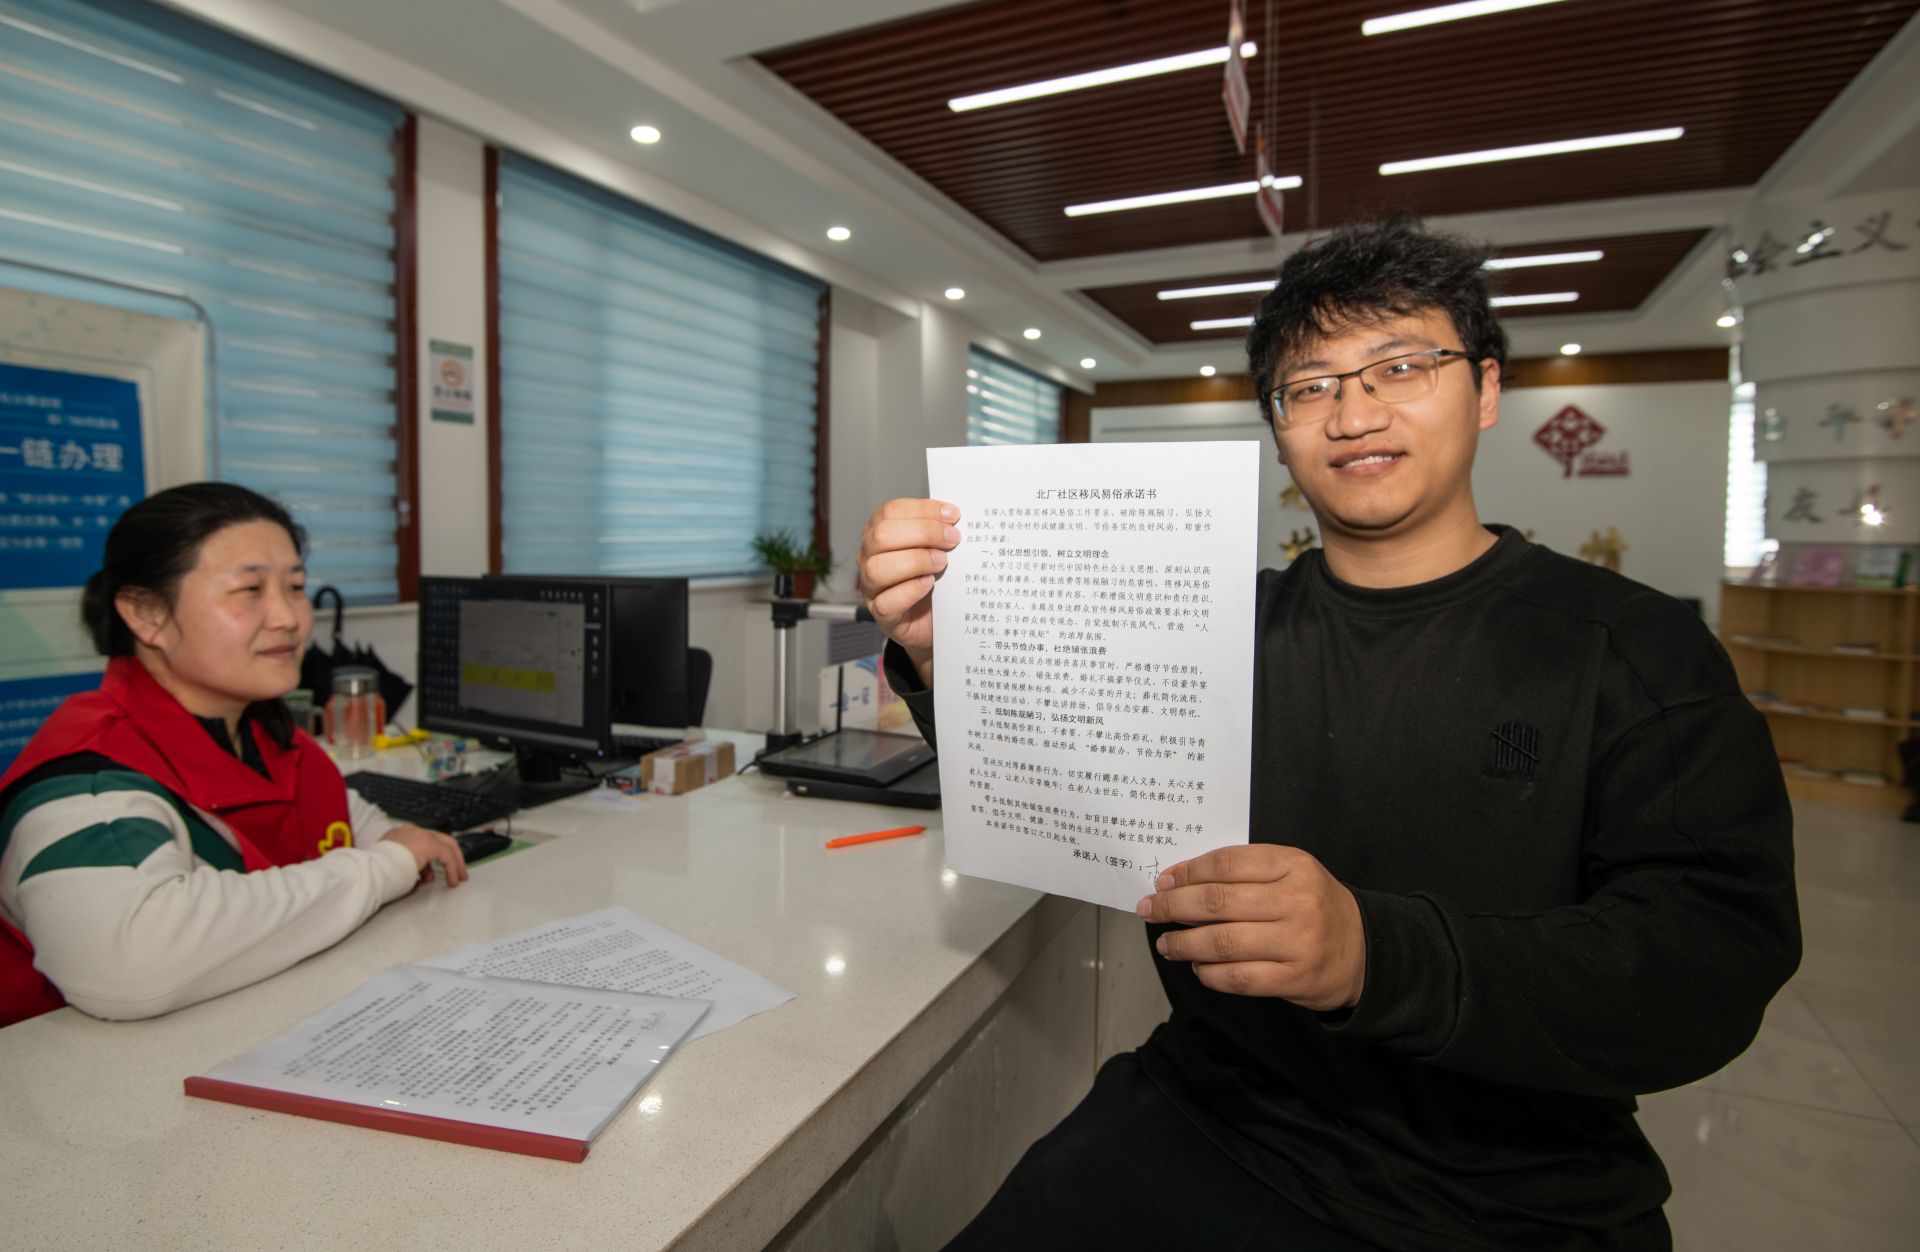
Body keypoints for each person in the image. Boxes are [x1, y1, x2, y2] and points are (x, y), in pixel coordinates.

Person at [857, 216, 1800, 1250]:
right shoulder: (1210, 627)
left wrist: (1373, 953)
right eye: (1309, 387)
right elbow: (1067, 786)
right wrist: (953, 652)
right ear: (1278, 427)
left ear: (1485, 388)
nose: (1353, 414)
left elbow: (1710, 959)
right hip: (1216, 1111)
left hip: (1509, 1191)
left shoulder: (1631, 648)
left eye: (1400, 366)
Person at [0, 483, 467, 1027]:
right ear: (146, 615)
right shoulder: (89, 779)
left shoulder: (274, 739)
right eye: (249, 590)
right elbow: (130, 963)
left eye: (295, 587)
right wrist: (383, 868)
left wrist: (390, 861)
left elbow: (386, 842)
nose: (288, 617)